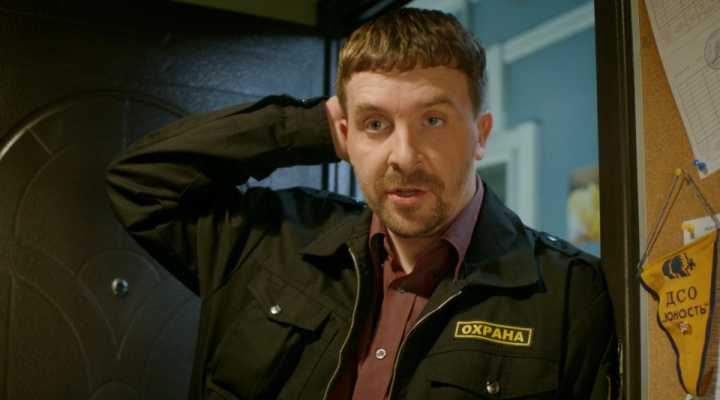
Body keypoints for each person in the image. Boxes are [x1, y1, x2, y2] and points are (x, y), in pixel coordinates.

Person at [105, 8, 618, 400]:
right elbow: (141, 183)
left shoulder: (567, 293)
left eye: (433, 120)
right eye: (376, 124)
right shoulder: (272, 242)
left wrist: (365, 122)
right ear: (345, 135)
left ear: (480, 135)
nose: (404, 156)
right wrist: (309, 126)